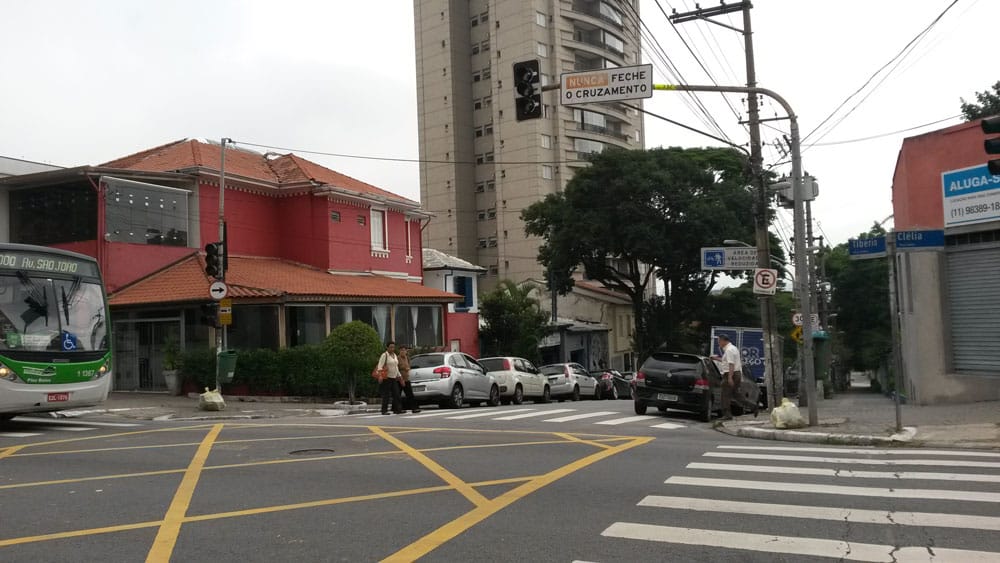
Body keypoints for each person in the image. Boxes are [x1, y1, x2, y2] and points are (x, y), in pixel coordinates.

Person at [712, 334, 759, 420]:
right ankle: (753, 406)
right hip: (736, 373)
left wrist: (730, 377)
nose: (718, 343)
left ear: (723, 340)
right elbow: (726, 361)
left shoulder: (729, 350)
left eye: (719, 341)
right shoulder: (733, 348)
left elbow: (731, 364)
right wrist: (716, 359)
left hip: (730, 374)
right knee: (736, 395)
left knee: (725, 394)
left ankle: (727, 414)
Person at [375, 341, 402, 415]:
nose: (392, 348)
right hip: (386, 378)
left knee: (396, 394)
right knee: (386, 395)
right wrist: (380, 376)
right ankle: (384, 410)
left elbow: (396, 367)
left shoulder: (395, 355)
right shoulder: (384, 355)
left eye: (393, 347)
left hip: (393, 377)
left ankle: (397, 409)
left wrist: (399, 376)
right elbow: (380, 366)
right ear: (387, 347)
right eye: (390, 347)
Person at [397, 345, 420, 413]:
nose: (403, 352)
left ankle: (414, 408)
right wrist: (404, 369)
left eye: (404, 350)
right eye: (401, 350)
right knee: (397, 395)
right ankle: (397, 408)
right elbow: (397, 368)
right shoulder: (397, 358)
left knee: (410, 394)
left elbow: (408, 366)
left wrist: (408, 369)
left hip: (406, 378)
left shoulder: (407, 358)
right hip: (399, 379)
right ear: (399, 351)